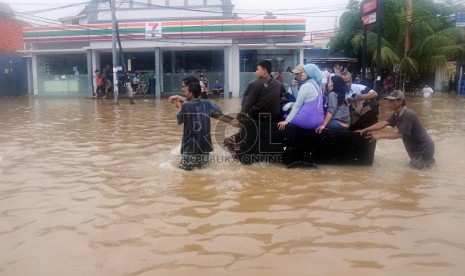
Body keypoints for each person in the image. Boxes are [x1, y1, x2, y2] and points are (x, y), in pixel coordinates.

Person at [356, 90, 435, 170]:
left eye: (392, 101)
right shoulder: (396, 114)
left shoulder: (408, 114)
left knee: (418, 173)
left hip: (423, 147)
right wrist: (365, 129)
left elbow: (401, 134)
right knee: (419, 172)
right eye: (389, 100)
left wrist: (379, 136)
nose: (389, 103)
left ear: (401, 101)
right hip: (416, 148)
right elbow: (384, 123)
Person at [172, 76, 222, 171]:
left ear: (191, 93)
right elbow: (219, 110)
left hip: (190, 149)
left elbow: (179, 119)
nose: (184, 93)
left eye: (186, 91)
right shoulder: (206, 103)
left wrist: (179, 107)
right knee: (203, 172)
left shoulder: (186, 105)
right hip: (205, 149)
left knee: (185, 174)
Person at [230, 60, 283, 127]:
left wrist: (238, 118)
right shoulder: (279, 84)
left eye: (257, 69)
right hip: (274, 117)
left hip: (258, 116)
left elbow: (249, 102)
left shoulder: (256, 83)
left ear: (264, 71)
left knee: (246, 97)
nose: (256, 72)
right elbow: (282, 98)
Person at [277, 63, 324, 131]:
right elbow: (301, 99)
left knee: (284, 113)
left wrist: (286, 121)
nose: (302, 74)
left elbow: (297, 105)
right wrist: (295, 88)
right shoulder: (316, 84)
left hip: (308, 122)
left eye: (304, 72)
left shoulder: (306, 85)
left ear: (309, 74)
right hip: (319, 121)